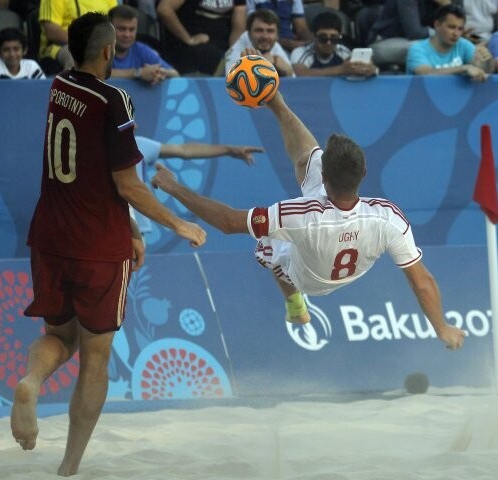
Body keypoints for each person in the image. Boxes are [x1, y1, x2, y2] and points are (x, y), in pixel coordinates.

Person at [10, 12, 206, 477]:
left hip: (50, 236)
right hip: (98, 245)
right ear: (108, 51)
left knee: (59, 336)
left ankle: (30, 381)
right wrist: (177, 224)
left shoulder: (59, 86)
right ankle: (69, 467)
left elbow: (95, 173)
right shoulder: (114, 100)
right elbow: (128, 185)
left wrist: (133, 230)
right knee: (96, 356)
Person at [151, 91, 466, 351]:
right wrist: (441, 327)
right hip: (353, 264)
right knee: (307, 159)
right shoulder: (389, 216)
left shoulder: (298, 214)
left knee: (265, 241)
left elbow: (228, 222)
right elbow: (421, 281)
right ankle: (274, 99)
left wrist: (174, 187)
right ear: (365, 173)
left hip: (305, 277)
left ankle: (295, 306)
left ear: (327, 178)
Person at [132, 135, 263, 234]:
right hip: (117, 229)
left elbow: (184, 150)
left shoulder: (138, 144)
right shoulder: (116, 149)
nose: (135, 126)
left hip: (139, 232)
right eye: (129, 121)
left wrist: (230, 150)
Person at [156, 0, 247, 75]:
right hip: (189, 49)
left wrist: (233, 54)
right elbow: (164, 10)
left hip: (223, 48)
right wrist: (188, 39)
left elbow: (238, 28)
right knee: (210, 54)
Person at [406, 4, 493, 81]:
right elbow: (425, 73)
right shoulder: (418, 49)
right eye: (451, 27)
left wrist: (487, 60)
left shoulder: (463, 44)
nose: (456, 33)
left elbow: (486, 71)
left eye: (460, 29)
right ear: (437, 25)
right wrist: (464, 68)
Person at [38, 0, 117, 71]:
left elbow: (115, 24)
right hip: (61, 46)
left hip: (98, 44)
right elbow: (51, 32)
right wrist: (88, 43)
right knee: (74, 58)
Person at [108, 4, 179, 84]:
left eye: (131, 30)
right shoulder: (99, 49)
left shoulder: (140, 49)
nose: (127, 35)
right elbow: (95, 74)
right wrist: (138, 73)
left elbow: (175, 74)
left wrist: (160, 72)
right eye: (122, 29)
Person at [291, 10, 376, 76]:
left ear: (339, 36)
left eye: (334, 38)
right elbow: (299, 74)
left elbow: (352, 68)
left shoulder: (342, 51)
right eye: (323, 38)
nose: (328, 43)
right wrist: (341, 69)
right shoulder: (301, 52)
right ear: (314, 37)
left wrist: (366, 69)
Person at [225, 9, 295, 76]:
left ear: (277, 35)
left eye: (270, 31)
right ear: (248, 33)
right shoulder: (237, 50)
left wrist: (288, 72)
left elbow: (293, 81)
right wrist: (262, 66)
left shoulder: (275, 45)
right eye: (259, 30)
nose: (265, 36)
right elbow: (231, 83)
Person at [246, 0, 312, 51]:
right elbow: (253, 30)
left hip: (293, 44)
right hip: (264, 43)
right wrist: (289, 44)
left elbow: (301, 28)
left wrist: (312, 43)